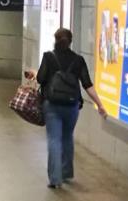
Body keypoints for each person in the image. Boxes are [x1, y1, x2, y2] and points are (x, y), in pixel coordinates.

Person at [32, 28, 108, 188]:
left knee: (54, 139)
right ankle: (66, 172)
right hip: (71, 106)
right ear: (70, 41)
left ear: (55, 40)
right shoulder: (78, 60)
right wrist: (100, 104)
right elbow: (87, 84)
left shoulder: (49, 57)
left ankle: (55, 179)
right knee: (67, 137)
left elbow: (40, 78)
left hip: (52, 105)